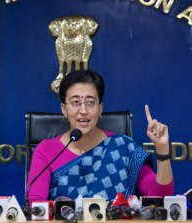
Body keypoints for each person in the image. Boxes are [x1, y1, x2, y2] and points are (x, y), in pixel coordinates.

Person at [27, 70, 173, 202]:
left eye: (90, 102)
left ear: (100, 109)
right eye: (76, 102)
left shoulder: (122, 148)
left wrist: (162, 151)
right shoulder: (46, 151)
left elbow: (160, 199)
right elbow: (37, 207)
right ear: (64, 109)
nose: (83, 110)